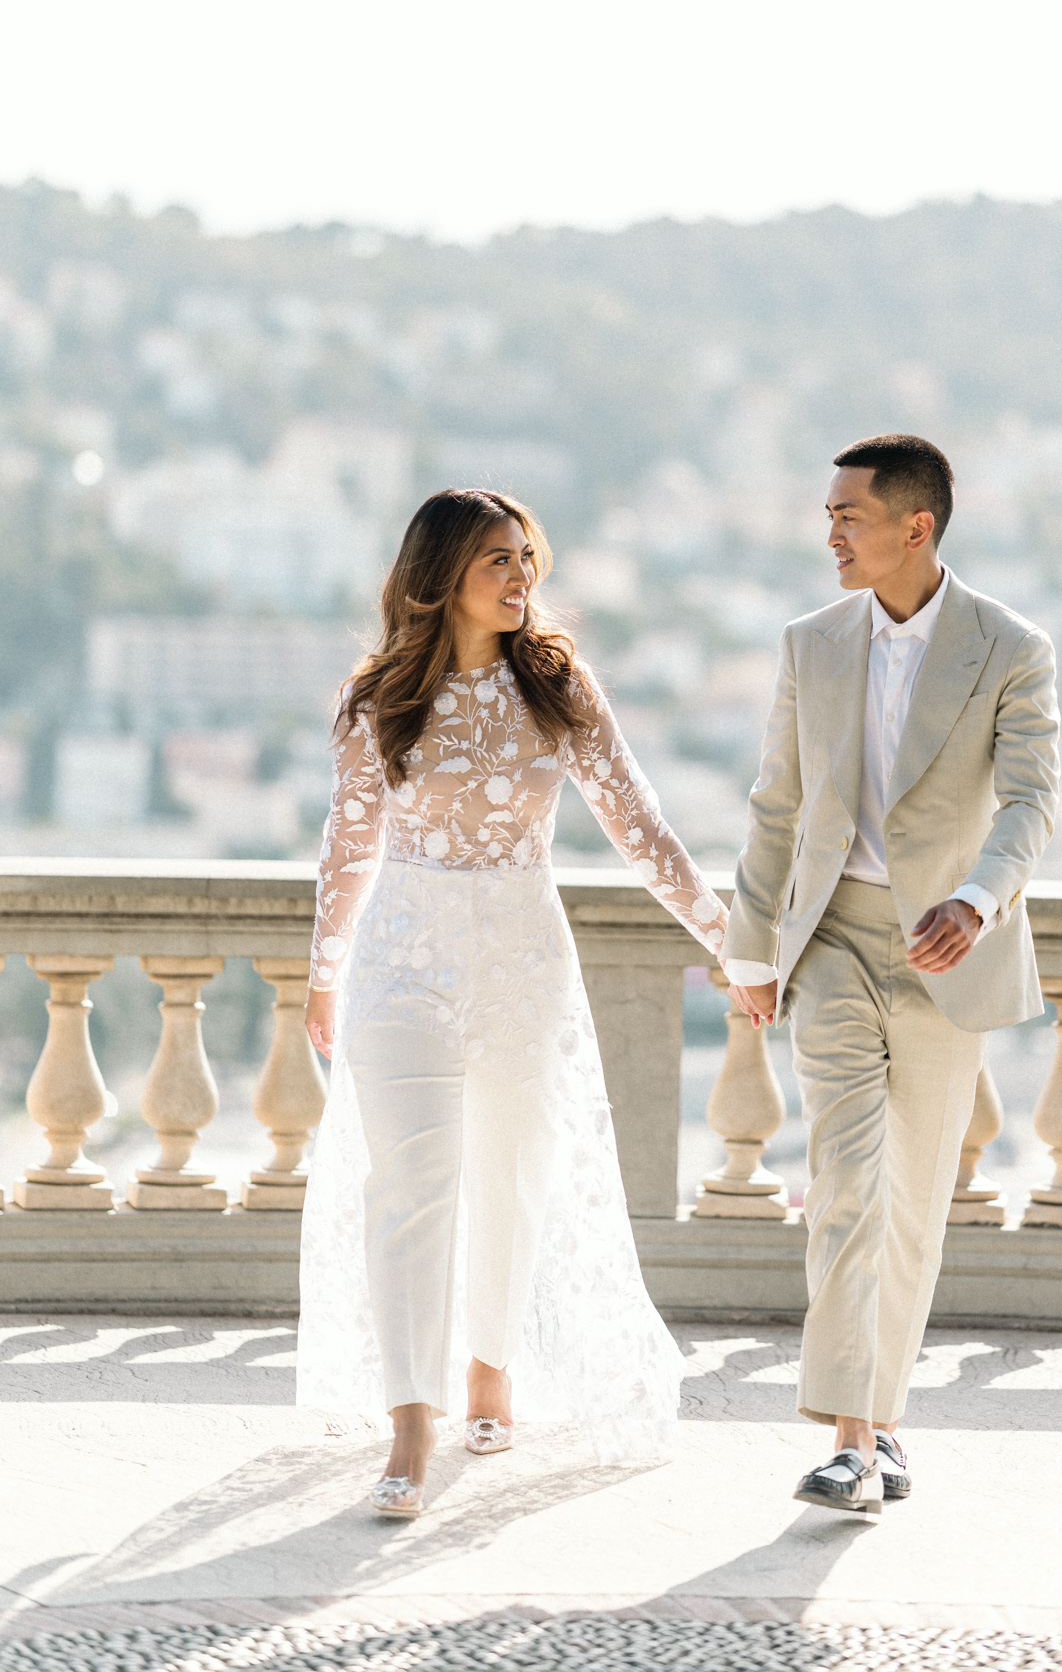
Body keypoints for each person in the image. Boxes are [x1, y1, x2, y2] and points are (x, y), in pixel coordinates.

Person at [297, 487, 730, 1517]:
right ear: (441, 572)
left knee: (511, 1172)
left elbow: (639, 824)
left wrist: (728, 940)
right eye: (498, 558)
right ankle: (411, 1417)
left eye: (526, 556)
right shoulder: (379, 698)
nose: (521, 575)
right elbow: (349, 844)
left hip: (519, 957)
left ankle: (490, 1367)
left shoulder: (557, 682)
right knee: (411, 1186)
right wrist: (324, 972)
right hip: (402, 954)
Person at [722, 433, 1059, 1516]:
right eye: (826, 513)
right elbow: (777, 803)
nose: (828, 531)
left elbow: (1027, 804)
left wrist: (976, 897)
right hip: (828, 940)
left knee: (910, 1197)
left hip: (943, 943)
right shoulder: (808, 642)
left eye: (848, 515)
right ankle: (852, 1441)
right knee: (848, 1179)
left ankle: (881, 1422)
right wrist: (749, 945)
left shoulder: (1008, 645)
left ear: (915, 526)